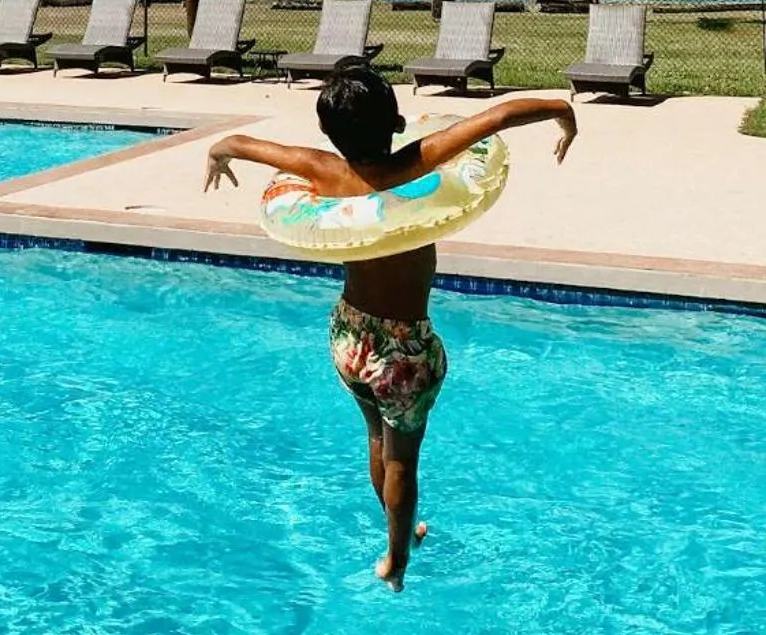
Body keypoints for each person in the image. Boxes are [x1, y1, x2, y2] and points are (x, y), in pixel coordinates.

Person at [203, 62, 577, 587]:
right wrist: (564, 115)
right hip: (403, 351)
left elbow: (238, 142)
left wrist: (217, 157)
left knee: (377, 438)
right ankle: (396, 562)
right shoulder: (418, 160)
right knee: (404, 460)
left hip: (349, 335)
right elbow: (500, 116)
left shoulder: (322, 170)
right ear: (398, 123)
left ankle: (397, 529)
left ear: (328, 133)